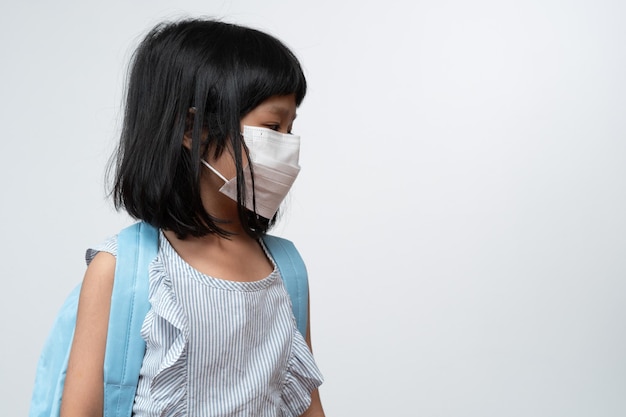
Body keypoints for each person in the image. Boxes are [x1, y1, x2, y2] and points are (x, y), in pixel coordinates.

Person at [60, 18, 324, 417]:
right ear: (191, 128)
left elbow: (307, 405)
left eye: (290, 128)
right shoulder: (120, 271)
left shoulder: (287, 270)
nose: (287, 146)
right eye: (272, 126)